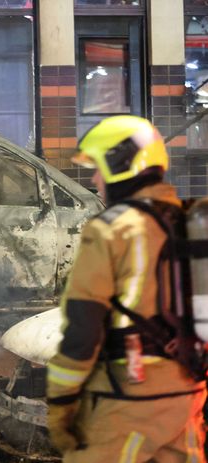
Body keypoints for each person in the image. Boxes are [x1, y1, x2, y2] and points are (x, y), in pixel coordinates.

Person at [46, 115, 206, 462]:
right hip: (189, 390)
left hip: (130, 398)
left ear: (121, 165)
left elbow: (81, 334)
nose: (94, 179)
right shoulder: (193, 219)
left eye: (99, 168)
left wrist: (60, 404)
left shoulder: (109, 231)